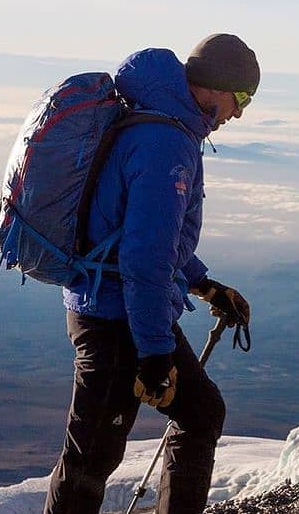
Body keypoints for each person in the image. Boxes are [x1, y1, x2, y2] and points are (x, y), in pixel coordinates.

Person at [44, 33, 259, 514]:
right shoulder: (166, 143)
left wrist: (205, 284)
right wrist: (156, 354)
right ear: (216, 85)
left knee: (199, 412)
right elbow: (144, 259)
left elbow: (148, 239)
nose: (240, 113)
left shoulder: (156, 122)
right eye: (241, 98)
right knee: (89, 460)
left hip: (110, 303)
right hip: (116, 318)